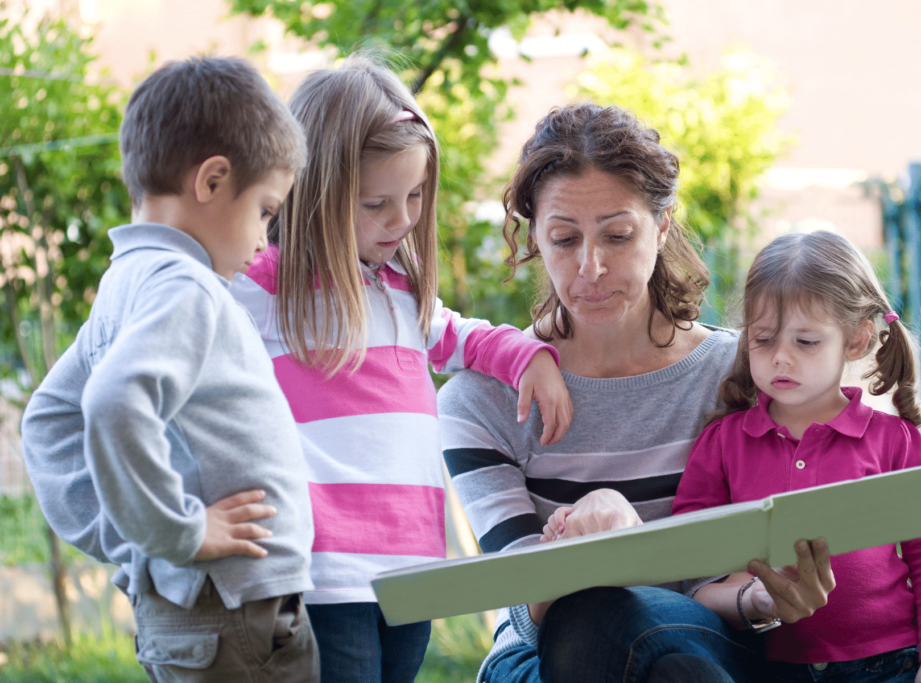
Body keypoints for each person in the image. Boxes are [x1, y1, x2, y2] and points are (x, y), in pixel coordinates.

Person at [438, 103, 834, 683]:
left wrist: (767, 599)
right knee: (592, 614)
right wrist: (607, 548)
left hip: (716, 641)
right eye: (564, 239)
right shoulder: (481, 400)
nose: (590, 267)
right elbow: (530, 612)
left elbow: (769, 558)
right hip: (546, 659)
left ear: (663, 224)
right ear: (536, 240)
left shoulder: (743, 374)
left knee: (674, 661)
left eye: (617, 235)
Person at [228, 55, 573, 683]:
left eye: (415, 195)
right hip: (323, 572)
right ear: (313, 191)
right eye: (376, 203)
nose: (404, 218)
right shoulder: (260, 291)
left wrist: (527, 356)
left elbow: (461, 337)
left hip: (412, 567)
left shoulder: (399, 295)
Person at [20, 57, 320, 681]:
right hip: (233, 611)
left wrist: (134, 534)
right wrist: (177, 533)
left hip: (199, 609)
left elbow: (48, 420)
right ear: (212, 181)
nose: (265, 240)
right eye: (265, 210)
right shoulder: (186, 286)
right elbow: (111, 401)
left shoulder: (126, 284)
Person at [671, 230, 921, 682]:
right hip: (766, 666)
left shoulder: (895, 441)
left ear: (856, 341)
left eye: (806, 342)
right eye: (764, 339)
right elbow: (692, 561)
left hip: (889, 664)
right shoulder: (722, 442)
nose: (781, 359)